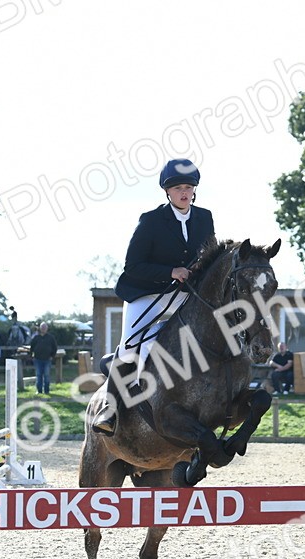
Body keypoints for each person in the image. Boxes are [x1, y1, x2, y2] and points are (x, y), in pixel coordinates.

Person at [92, 158, 215, 434]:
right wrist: (171, 271)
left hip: (184, 297)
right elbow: (133, 266)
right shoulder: (151, 221)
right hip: (147, 295)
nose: (185, 192)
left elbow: (211, 257)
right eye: (178, 188)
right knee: (132, 345)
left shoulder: (204, 217)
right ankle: (109, 411)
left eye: (189, 187)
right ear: (167, 192)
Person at [28, 322, 58, 395]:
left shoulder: (51, 338)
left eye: (45, 328)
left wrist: (52, 356)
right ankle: (39, 390)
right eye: (42, 327)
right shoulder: (36, 337)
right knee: (38, 375)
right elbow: (32, 347)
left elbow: (55, 347)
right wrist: (31, 355)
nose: (43, 329)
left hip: (47, 359)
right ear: (40, 328)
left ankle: (47, 391)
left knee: (46, 375)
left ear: (47, 329)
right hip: (37, 359)